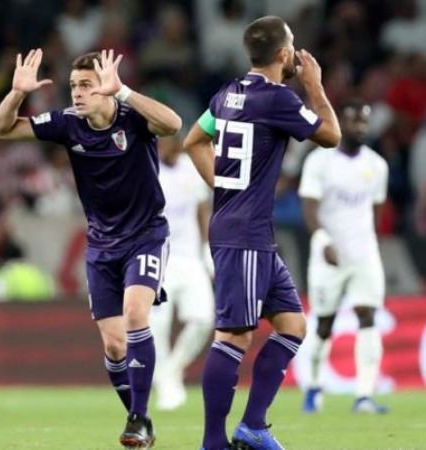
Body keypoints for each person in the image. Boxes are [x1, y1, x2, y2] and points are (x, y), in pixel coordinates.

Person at [0, 48, 182, 449]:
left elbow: (174, 124)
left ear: (106, 88)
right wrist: (17, 93)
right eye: (73, 86)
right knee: (113, 344)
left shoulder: (133, 117)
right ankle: (138, 418)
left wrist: (124, 92)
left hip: (145, 235)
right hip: (101, 245)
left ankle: (140, 419)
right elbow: (1, 129)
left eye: (86, 86)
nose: (77, 94)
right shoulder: (67, 124)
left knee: (135, 313)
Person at [183, 15, 341, 450]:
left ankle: (253, 426)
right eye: (293, 47)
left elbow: (193, 140)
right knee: (234, 335)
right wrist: (315, 86)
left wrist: (224, 183)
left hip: (248, 231)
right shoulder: (278, 99)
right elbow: (331, 134)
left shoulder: (227, 95)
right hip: (244, 234)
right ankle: (213, 442)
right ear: (285, 54)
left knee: (292, 326)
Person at [298, 100, 389, 414]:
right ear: (340, 122)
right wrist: (323, 239)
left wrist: (366, 244)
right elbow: (309, 206)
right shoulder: (319, 161)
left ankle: (364, 395)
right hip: (328, 255)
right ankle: (313, 386)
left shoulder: (377, 165)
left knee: (368, 316)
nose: (359, 128)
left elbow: (375, 212)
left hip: (363, 254)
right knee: (324, 323)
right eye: (353, 121)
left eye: (364, 122)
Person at [150, 135, 214, 411]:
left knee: (203, 319)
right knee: (157, 327)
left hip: (189, 257)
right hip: (157, 257)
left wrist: (207, 248)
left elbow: (202, 210)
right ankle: (166, 386)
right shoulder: (148, 170)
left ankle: (171, 370)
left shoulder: (191, 167)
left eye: (171, 141)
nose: (166, 147)